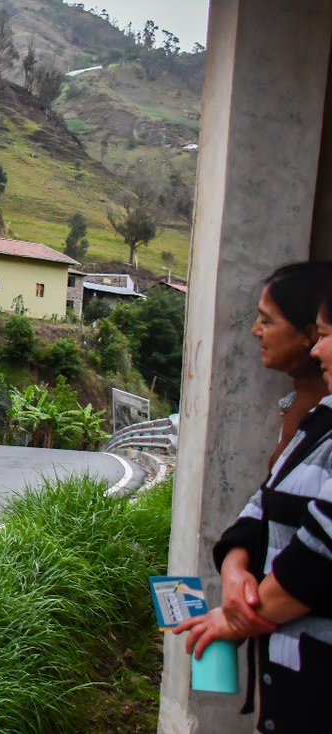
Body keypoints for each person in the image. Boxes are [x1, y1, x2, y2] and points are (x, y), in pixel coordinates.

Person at [176, 273, 332, 733]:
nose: (319, 350)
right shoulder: (319, 418)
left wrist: (236, 618)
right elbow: (262, 504)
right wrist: (234, 570)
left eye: (325, 335)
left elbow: (318, 559)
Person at [251, 262, 332, 466]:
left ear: (310, 334)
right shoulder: (303, 399)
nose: (255, 330)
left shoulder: (317, 410)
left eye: (266, 321)